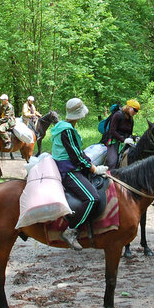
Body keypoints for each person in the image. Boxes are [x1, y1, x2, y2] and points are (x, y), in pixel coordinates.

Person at [50, 98, 105, 251]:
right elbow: (76, 157)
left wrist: (92, 164)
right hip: (68, 170)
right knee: (93, 198)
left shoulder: (65, 126)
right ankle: (71, 230)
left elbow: (79, 152)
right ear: (78, 115)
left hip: (70, 166)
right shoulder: (67, 130)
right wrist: (93, 169)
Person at [105, 99, 140, 169]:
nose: (135, 112)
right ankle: (108, 177)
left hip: (125, 142)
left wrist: (135, 138)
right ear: (129, 107)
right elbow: (112, 131)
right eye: (135, 110)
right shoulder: (118, 115)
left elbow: (129, 134)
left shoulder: (131, 120)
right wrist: (123, 140)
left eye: (137, 111)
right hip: (114, 141)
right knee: (112, 162)